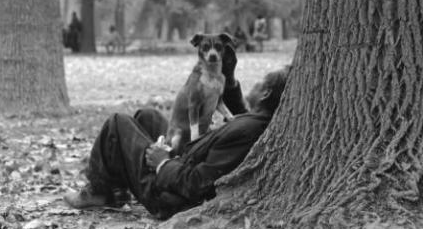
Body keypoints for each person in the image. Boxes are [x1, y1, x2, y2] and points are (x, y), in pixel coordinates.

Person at [63, 47, 290, 220]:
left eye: (259, 83)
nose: (254, 85)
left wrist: (163, 163)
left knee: (117, 123)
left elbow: (197, 184)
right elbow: (240, 113)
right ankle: (117, 191)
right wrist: (228, 78)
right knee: (148, 117)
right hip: (184, 163)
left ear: (265, 93)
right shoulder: (257, 121)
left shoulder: (248, 131)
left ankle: (98, 191)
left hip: (169, 196)